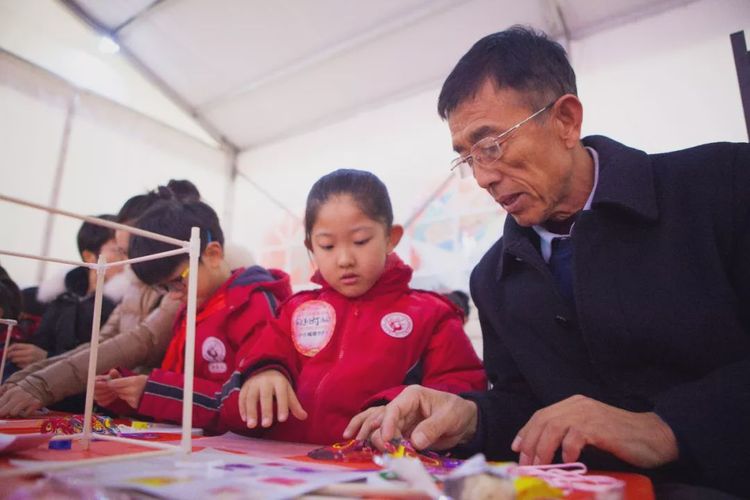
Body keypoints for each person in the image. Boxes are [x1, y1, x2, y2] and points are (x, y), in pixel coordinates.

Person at [347, 27, 750, 498]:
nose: (482, 177)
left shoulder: (723, 187)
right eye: (466, 158)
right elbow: (528, 410)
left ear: (565, 120)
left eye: (491, 145)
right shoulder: (493, 279)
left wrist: (667, 427)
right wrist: (472, 417)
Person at [225, 168, 486, 445]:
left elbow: (460, 389)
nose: (344, 259)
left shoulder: (432, 315)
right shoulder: (294, 310)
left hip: (375, 470)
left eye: (361, 241)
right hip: (287, 464)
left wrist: (396, 407)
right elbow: (261, 354)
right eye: (327, 246)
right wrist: (264, 373)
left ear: (391, 237)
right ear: (310, 246)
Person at [0, 180, 198, 416]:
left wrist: (40, 384)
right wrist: (22, 379)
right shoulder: (135, 285)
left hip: (146, 408)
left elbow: (141, 341)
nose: (129, 260)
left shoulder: (179, 288)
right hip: (120, 404)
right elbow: (102, 341)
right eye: (123, 251)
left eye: (132, 249)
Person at [94, 197, 291, 433]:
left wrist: (154, 391)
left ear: (213, 254)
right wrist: (125, 393)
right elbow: (181, 394)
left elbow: (251, 405)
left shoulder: (254, 305)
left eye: (178, 281)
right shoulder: (193, 306)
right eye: (164, 288)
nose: (174, 295)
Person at [5, 216, 127, 371]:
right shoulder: (63, 295)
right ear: (89, 257)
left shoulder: (124, 305)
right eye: (119, 251)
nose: (127, 260)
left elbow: (106, 361)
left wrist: (47, 358)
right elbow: (40, 341)